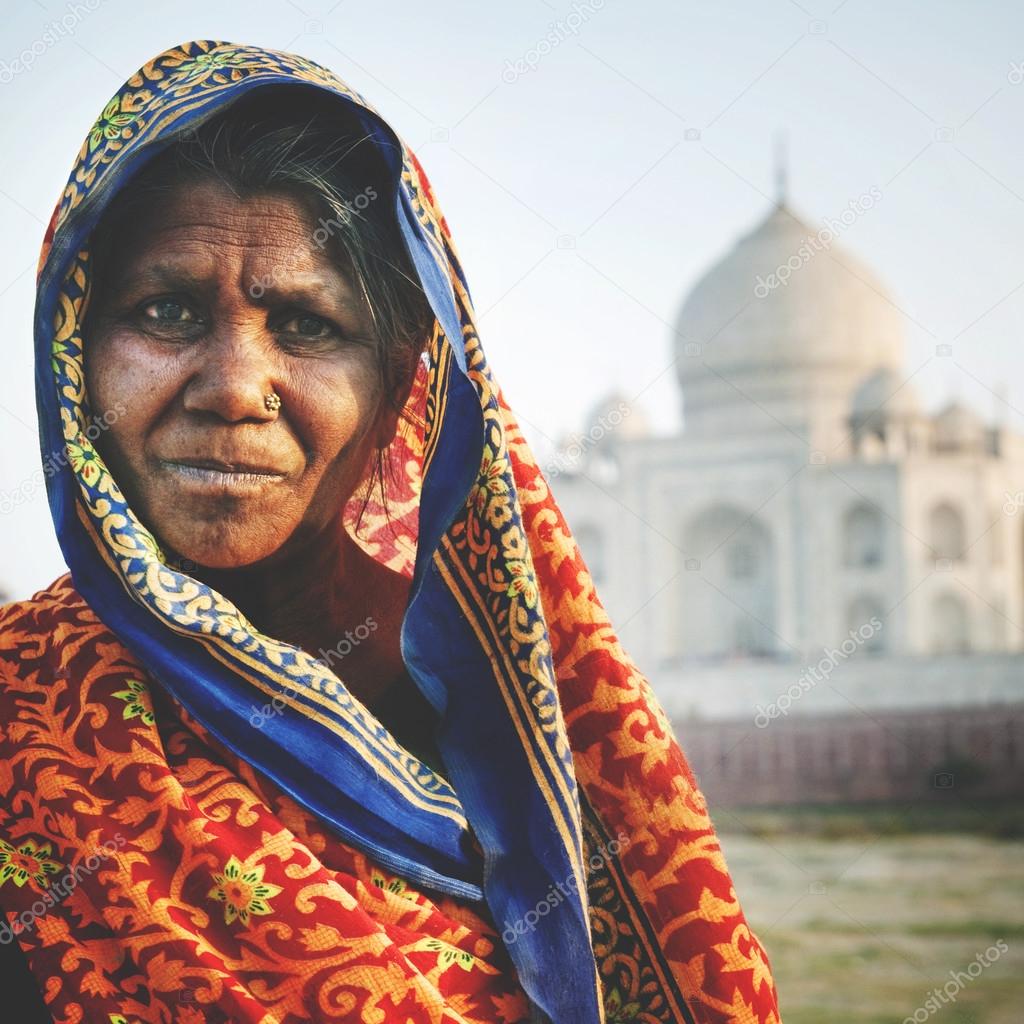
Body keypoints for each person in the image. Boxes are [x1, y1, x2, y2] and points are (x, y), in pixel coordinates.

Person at [0, 39, 781, 1023]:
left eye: (306, 326)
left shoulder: (507, 722)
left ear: (399, 380)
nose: (235, 385)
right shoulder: (25, 712)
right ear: (73, 355)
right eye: (166, 312)